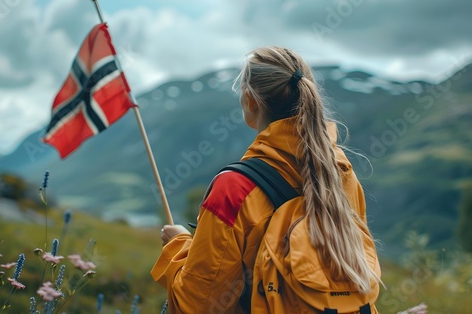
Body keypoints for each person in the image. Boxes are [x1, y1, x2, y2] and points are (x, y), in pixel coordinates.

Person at [151, 46, 382, 313]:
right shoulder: (341, 172)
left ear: (251, 101)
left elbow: (198, 305)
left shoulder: (234, 189)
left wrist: (178, 247)